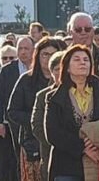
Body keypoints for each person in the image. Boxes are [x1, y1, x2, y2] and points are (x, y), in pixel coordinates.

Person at [45, 45, 99, 181]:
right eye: (77, 59)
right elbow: (52, 133)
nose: (82, 62)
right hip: (67, 165)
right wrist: (83, 148)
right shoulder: (54, 97)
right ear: (67, 67)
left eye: (86, 60)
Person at [8, 37, 67, 181]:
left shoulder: (68, 82)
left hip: (60, 142)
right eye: (45, 54)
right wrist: (37, 121)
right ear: (38, 55)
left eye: (53, 54)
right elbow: (12, 111)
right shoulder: (26, 80)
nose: (49, 58)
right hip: (31, 141)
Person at [0, 36, 35, 181]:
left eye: (26, 49)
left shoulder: (39, 69)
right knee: (14, 159)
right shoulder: (7, 70)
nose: (23, 52)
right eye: (20, 48)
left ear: (33, 50)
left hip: (33, 121)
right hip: (12, 122)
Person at [32, 51, 67, 181]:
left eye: (64, 68)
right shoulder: (43, 96)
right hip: (51, 153)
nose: (61, 72)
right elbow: (37, 126)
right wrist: (57, 140)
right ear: (51, 72)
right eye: (57, 69)